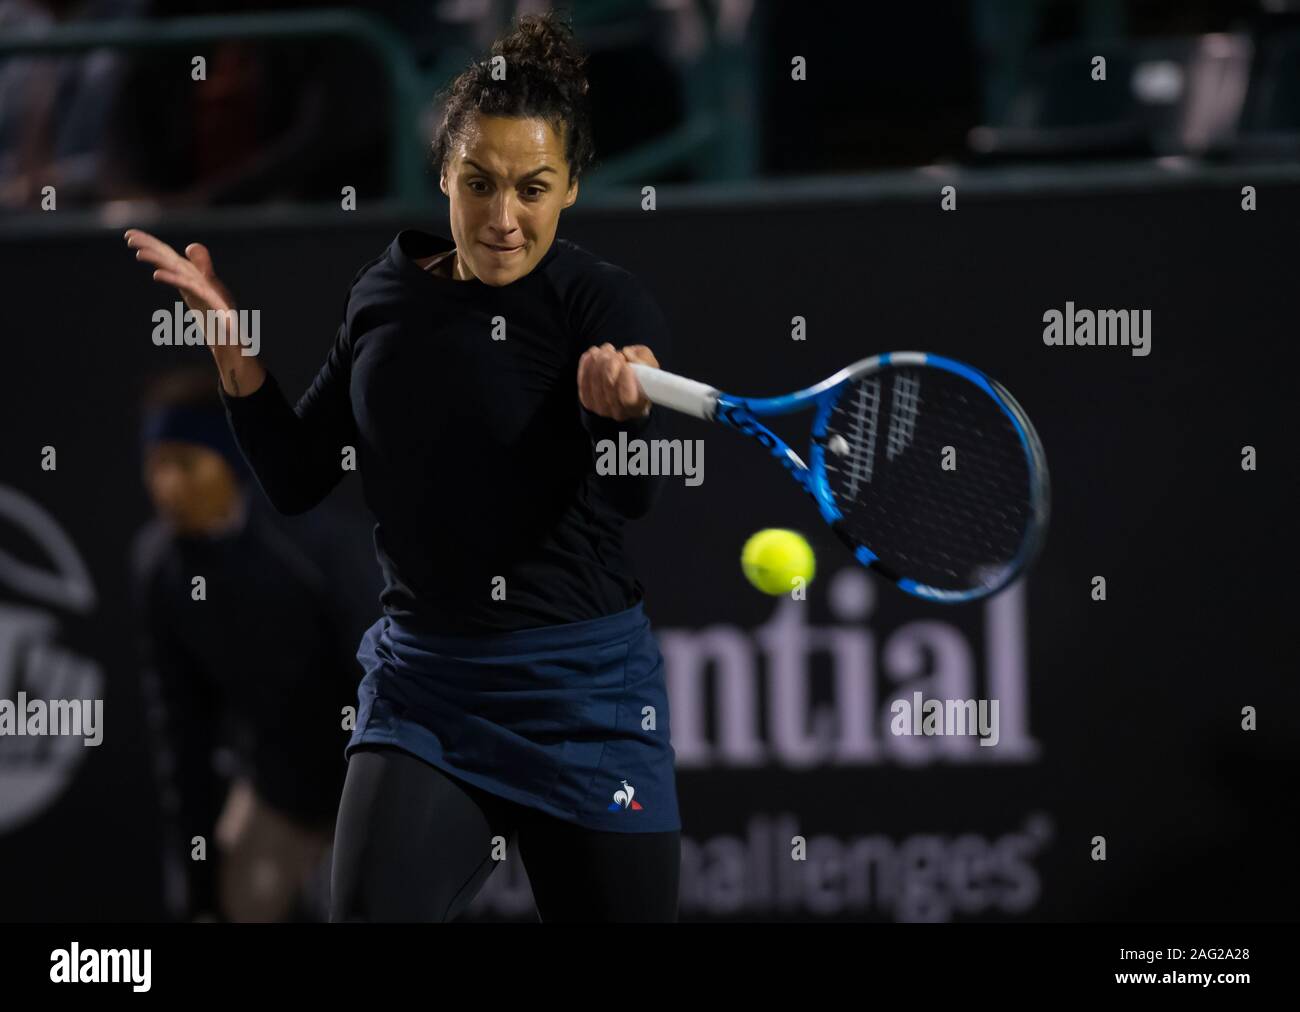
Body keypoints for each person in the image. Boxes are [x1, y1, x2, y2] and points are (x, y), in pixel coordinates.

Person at [124, 10, 681, 922]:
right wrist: (232, 350)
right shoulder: (383, 296)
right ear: (443, 176)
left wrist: (618, 415)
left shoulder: (606, 302)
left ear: (573, 187)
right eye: (479, 183)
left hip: (585, 701)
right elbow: (299, 476)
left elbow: (635, 496)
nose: (504, 218)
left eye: (534, 188)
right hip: (426, 695)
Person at [132, 368, 378, 922]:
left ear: (230, 462)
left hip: (369, 784)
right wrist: (197, 891)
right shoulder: (159, 572)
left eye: (186, 464)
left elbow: (384, 677)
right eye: (157, 465)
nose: (167, 485)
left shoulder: (316, 545)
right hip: (275, 790)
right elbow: (181, 731)